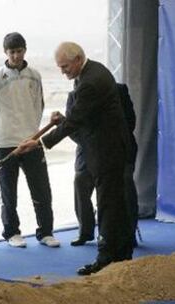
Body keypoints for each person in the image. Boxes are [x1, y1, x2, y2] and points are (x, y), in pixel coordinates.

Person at [17, 42, 133, 275]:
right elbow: (83, 114)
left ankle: (107, 258)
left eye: (65, 66)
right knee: (114, 203)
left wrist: (40, 142)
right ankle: (121, 255)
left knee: (108, 205)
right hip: (106, 148)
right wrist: (64, 120)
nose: (63, 72)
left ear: (78, 59)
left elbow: (75, 120)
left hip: (107, 151)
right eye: (60, 67)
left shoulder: (91, 81)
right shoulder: (92, 71)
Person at [0, 32, 60, 248]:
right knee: (8, 191)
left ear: (25, 50)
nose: (16, 56)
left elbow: (39, 106)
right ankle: (12, 232)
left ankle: (46, 232)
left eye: (19, 51)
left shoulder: (34, 76)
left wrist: (32, 132)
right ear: (5, 52)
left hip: (32, 140)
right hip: (5, 141)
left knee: (41, 189)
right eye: (12, 52)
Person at [67, 84, 139, 247]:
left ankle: (129, 233)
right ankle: (86, 231)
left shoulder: (119, 91)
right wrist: (92, 143)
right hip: (87, 149)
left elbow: (130, 122)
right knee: (80, 181)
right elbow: (72, 129)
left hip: (118, 147)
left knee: (126, 183)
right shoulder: (73, 95)